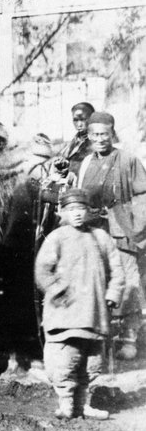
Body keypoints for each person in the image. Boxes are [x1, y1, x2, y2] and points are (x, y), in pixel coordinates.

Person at [34, 187, 126, 419]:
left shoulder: (101, 237)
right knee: (64, 360)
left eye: (81, 209)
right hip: (64, 314)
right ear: (62, 212)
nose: (76, 214)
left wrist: (113, 294)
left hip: (94, 312)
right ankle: (66, 404)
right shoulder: (56, 238)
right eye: (71, 209)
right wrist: (57, 291)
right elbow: (43, 270)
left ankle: (83, 404)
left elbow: (117, 270)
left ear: (89, 212)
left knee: (92, 362)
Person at [74, 110, 146, 359]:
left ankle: (129, 337)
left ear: (112, 134)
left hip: (122, 228)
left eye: (104, 134)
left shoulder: (128, 160)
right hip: (94, 229)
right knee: (96, 280)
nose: (100, 139)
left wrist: (135, 226)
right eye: (95, 134)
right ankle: (99, 335)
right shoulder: (86, 162)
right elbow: (80, 194)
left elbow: (142, 195)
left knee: (127, 280)